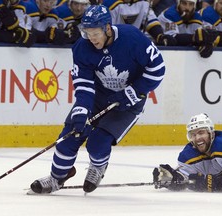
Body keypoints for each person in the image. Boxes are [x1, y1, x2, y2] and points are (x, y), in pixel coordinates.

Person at [27, 5, 165, 194]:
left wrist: (132, 93)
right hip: (98, 97)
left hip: (128, 102)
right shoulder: (82, 47)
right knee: (68, 138)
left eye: (95, 33)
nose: (91, 38)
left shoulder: (133, 38)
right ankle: (56, 178)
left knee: (97, 143)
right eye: (87, 33)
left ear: (108, 28)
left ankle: (99, 167)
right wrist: (82, 110)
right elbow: (83, 85)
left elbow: (158, 69)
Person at [153, 113, 222, 192]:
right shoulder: (188, 155)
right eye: (193, 135)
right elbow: (185, 178)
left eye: (201, 133)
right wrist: (172, 178)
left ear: (211, 134)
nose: (197, 138)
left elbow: (211, 183)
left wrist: (212, 183)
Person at [102, 0, 177, 46]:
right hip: (113, 45)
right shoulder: (110, 4)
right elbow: (107, 30)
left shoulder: (143, 2)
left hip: (134, 44)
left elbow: (151, 22)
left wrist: (160, 36)